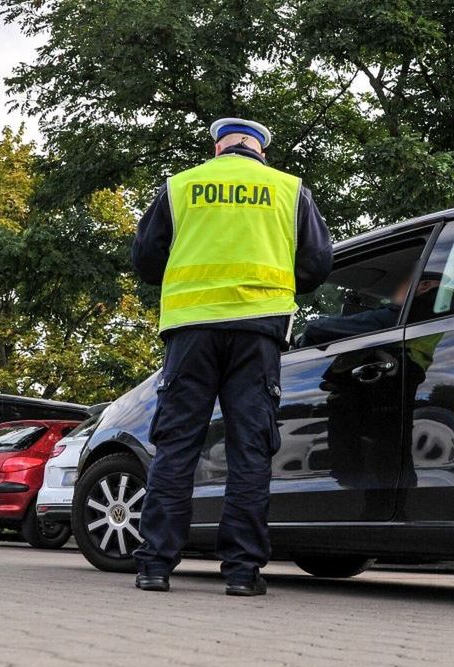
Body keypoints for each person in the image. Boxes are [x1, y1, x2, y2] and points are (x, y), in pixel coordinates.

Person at [130, 117, 333, 596]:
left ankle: (155, 566)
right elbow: (317, 263)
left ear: (218, 146)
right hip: (258, 333)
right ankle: (242, 573)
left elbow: (145, 259)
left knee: (177, 445)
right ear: (260, 149)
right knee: (249, 450)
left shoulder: (181, 187)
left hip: (190, 330)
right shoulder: (289, 189)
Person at [296, 272, 443, 348]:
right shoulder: (436, 318)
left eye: (404, 283)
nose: (396, 291)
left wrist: (301, 343)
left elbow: (315, 329)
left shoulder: (392, 317)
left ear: (424, 286)